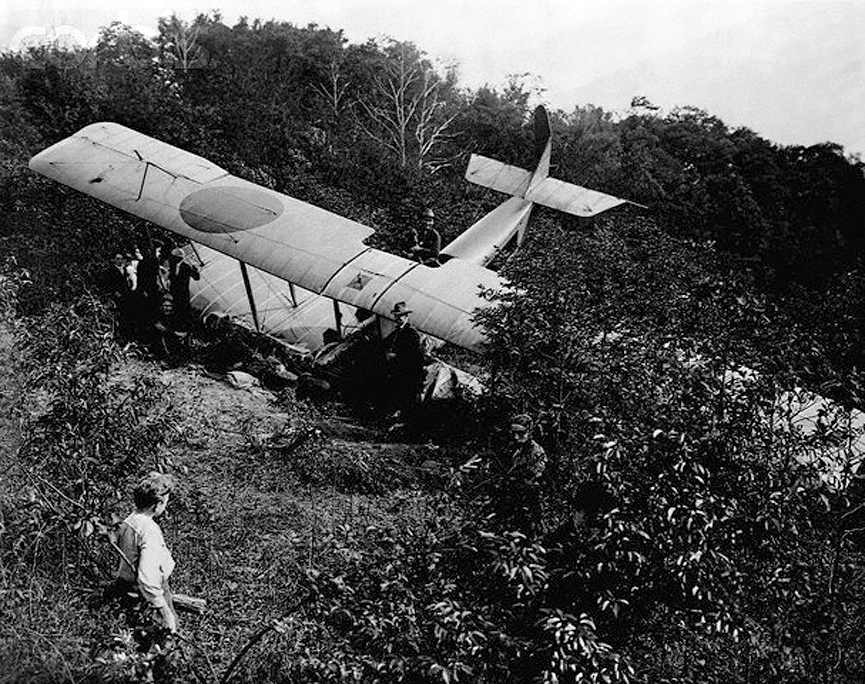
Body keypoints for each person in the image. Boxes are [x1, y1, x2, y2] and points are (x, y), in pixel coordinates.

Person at [113, 472, 178, 635]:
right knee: (164, 637)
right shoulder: (149, 530)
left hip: (126, 585)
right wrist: (164, 610)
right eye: (165, 503)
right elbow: (147, 577)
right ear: (157, 504)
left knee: (128, 634)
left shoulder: (129, 521)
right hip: (146, 594)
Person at [385, 302, 426, 422]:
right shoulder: (397, 331)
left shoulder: (411, 333)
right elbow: (386, 344)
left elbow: (414, 355)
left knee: (407, 398)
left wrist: (395, 356)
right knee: (399, 396)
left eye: (401, 316)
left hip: (408, 371)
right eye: (396, 316)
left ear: (406, 316)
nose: (398, 318)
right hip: (399, 370)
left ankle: (407, 424)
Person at [507, 414, 548, 531]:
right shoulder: (518, 449)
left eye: (520, 433)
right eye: (514, 433)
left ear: (530, 432)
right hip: (516, 499)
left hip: (530, 500)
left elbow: (537, 476)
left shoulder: (536, 451)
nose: (516, 437)